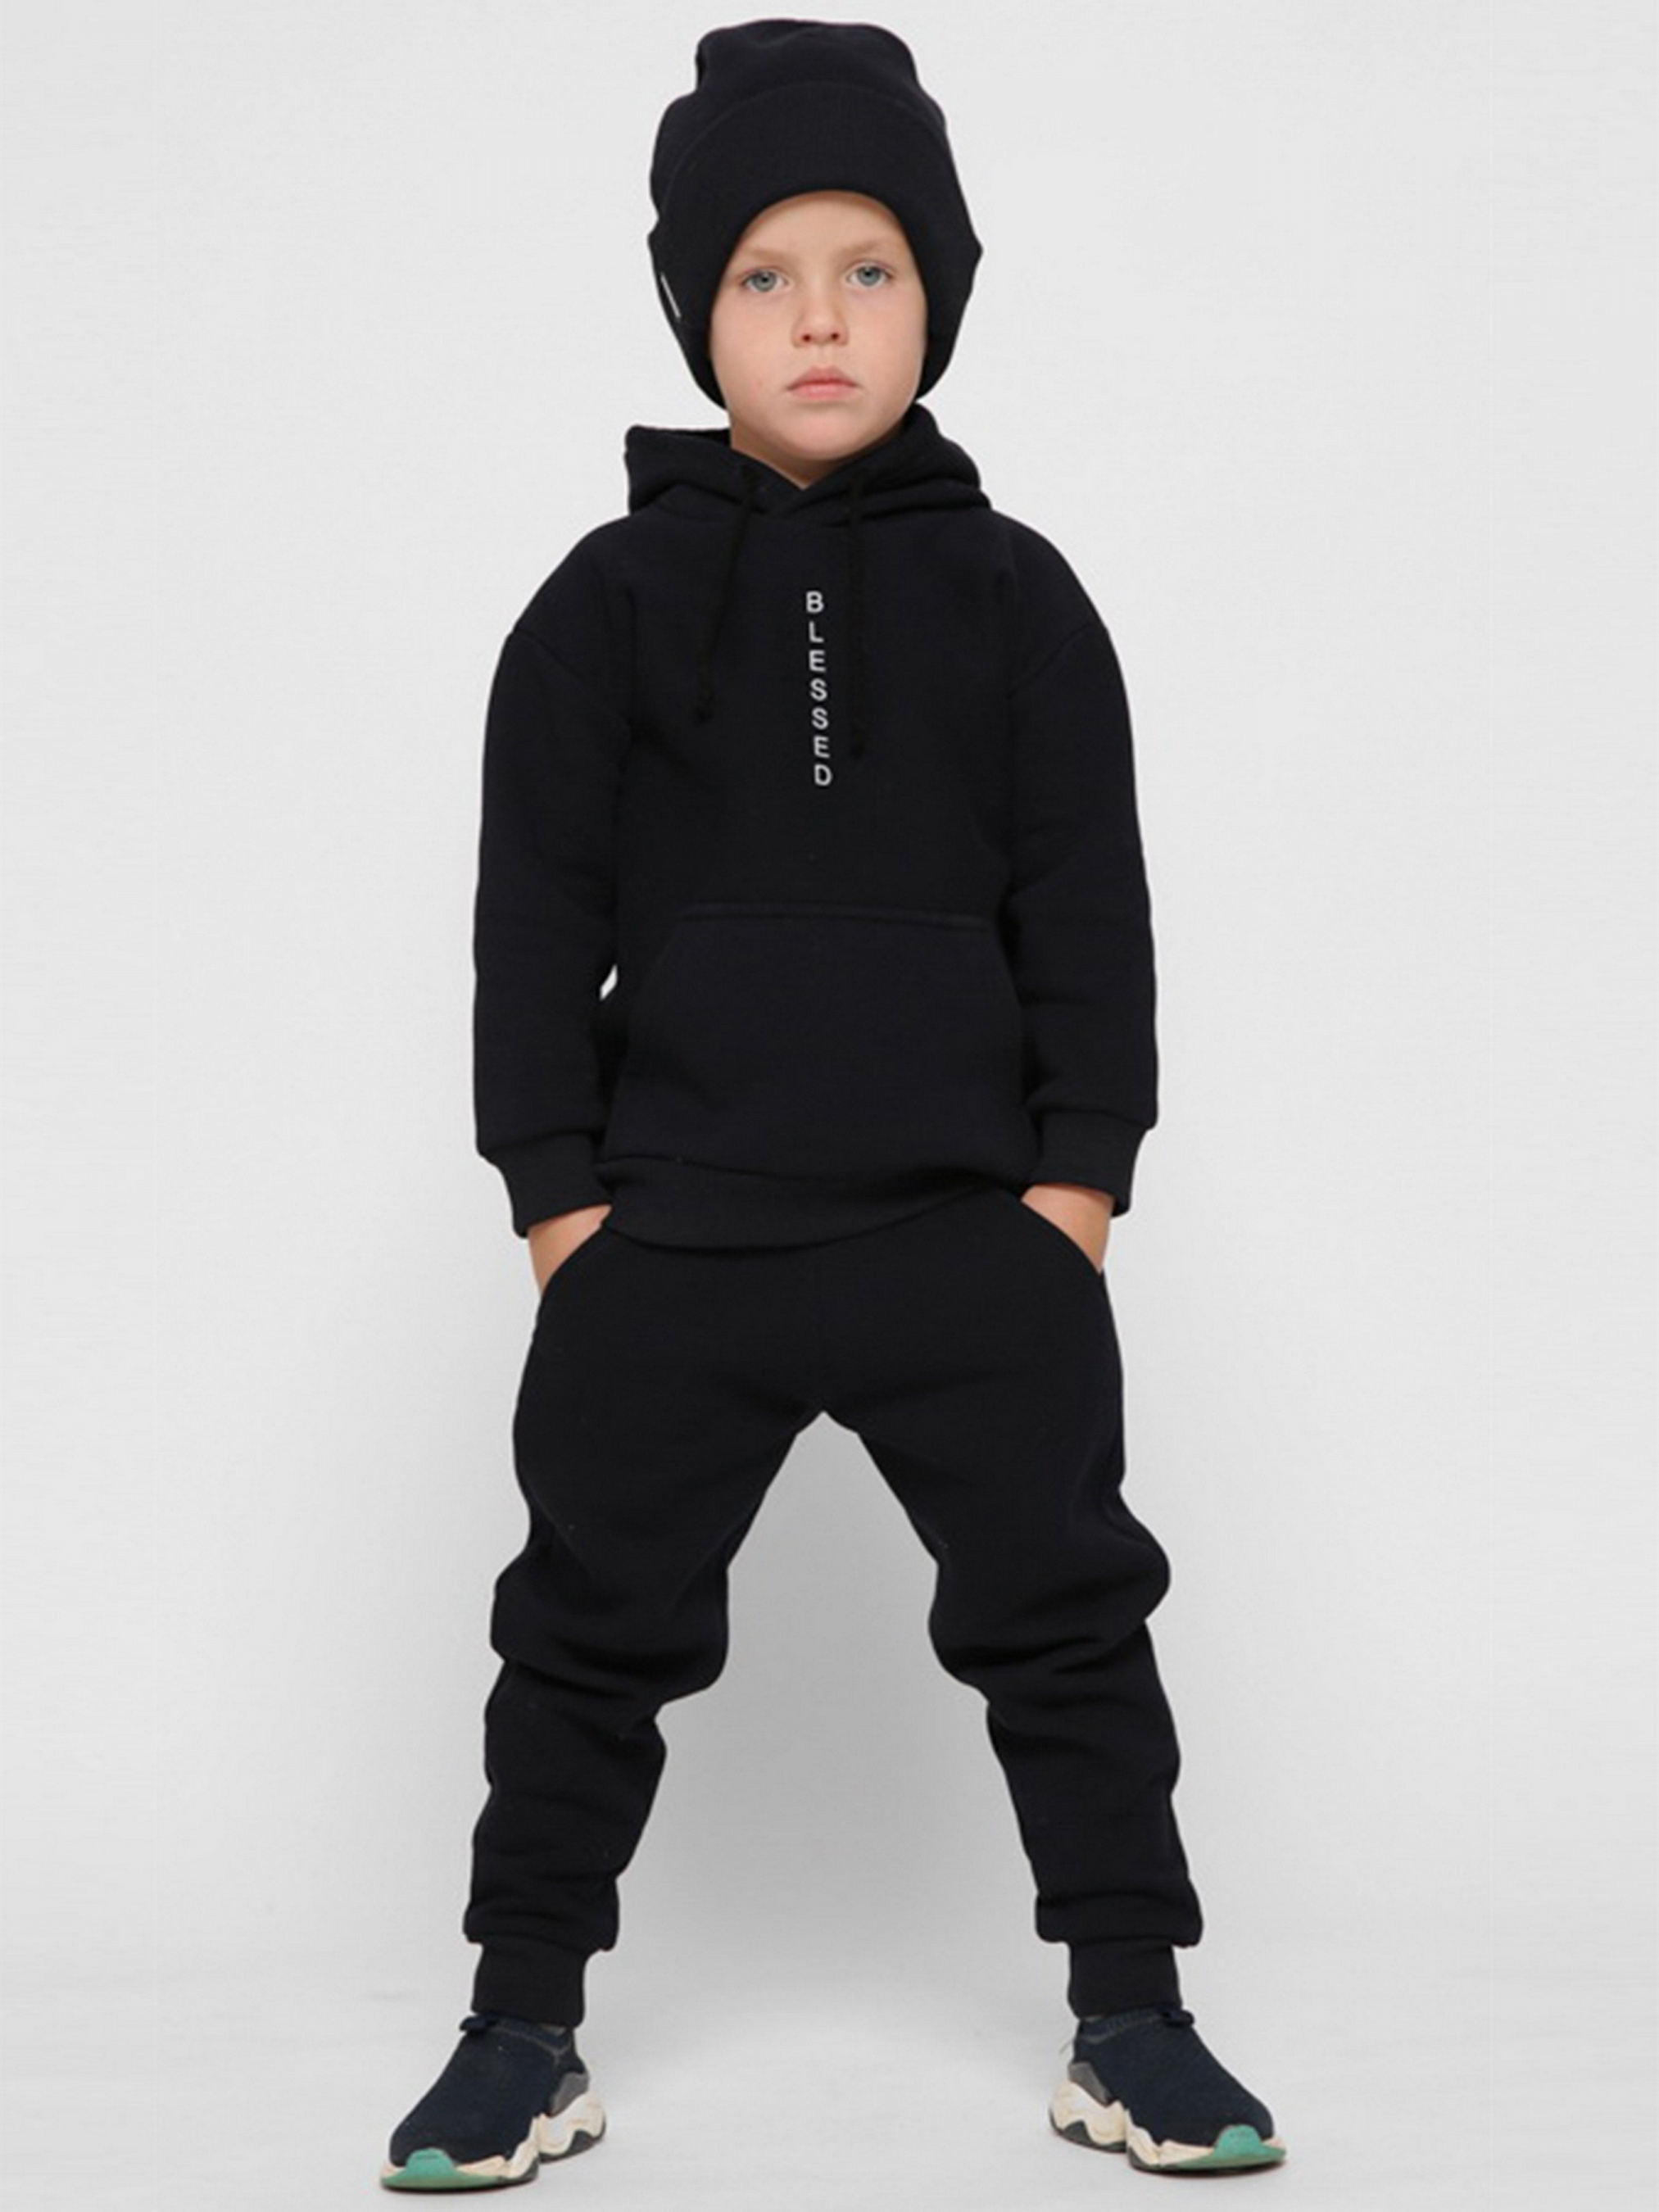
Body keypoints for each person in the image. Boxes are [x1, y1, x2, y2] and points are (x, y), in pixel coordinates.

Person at [380, 17, 1288, 2191]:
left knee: (1068, 1623)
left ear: (935, 300)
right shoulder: (600, 608)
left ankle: (1132, 2015)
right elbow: (531, 921)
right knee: (579, 1640)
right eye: (764, 273)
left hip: (967, 1235)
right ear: (695, 311)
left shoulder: (1016, 594)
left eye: (869, 269)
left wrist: (1073, 1190)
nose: (817, 318)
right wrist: (559, 1207)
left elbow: (1089, 906)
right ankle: (519, 2026)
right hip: (671, 1240)